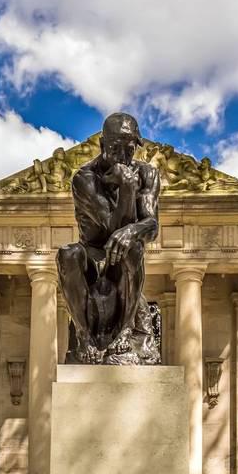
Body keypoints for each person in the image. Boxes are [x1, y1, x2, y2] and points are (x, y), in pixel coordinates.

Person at [57, 113, 160, 365]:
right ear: (103, 145)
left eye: (130, 148)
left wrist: (132, 231)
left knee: (133, 247)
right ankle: (83, 334)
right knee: (67, 254)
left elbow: (151, 224)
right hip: (92, 258)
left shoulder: (148, 174)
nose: (125, 155)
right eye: (116, 147)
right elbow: (110, 227)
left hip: (125, 259)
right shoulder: (85, 178)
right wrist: (127, 189)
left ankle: (125, 331)